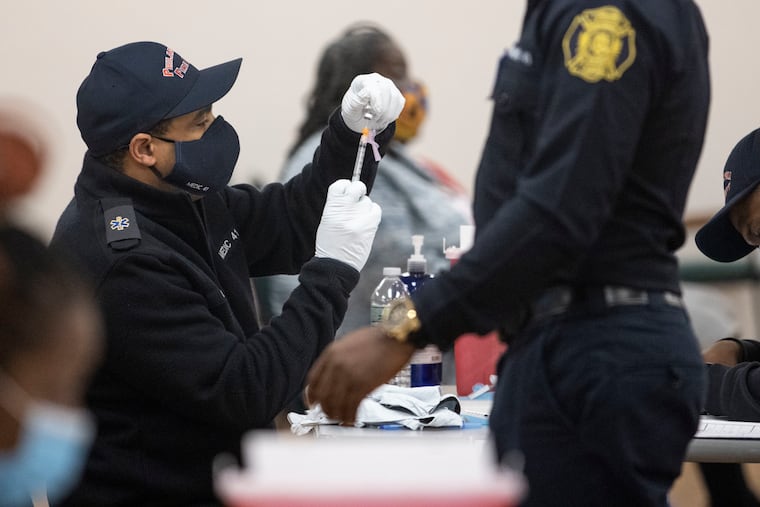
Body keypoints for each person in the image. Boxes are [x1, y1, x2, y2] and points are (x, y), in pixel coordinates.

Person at [307, 2, 710, 506]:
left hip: (594, 345)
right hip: (562, 339)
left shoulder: (608, 12)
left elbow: (562, 207)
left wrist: (407, 329)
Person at [49, 41, 402, 506]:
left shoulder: (182, 198)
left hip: (222, 478)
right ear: (144, 149)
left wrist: (351, 132)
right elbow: (244, 388)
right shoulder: (123, 259)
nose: (216, 130)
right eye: (199, 122)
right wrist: (332, 272)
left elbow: (294, 222)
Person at [257, 24, 472, 383]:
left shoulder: (394, 155)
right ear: (359, 90)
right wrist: (482, 272)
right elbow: (394, 262)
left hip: (416, 360)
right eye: (396, 78)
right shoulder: (333, 161)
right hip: (363, 368)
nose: (410, 90)